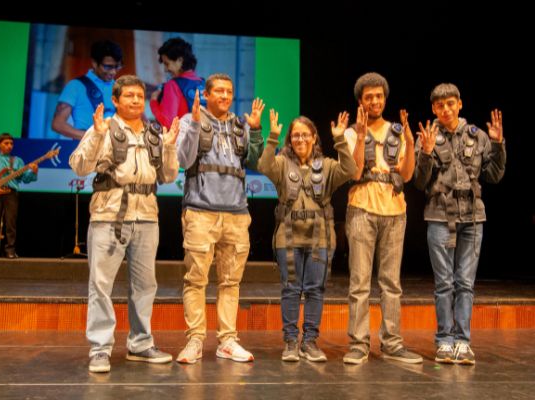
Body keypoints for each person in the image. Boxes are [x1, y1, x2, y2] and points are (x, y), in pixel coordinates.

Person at [69, 75, 180, 373]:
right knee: (101, 285)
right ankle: (100, 348)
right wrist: (95, 135)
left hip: (147, 217)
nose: (135, 100)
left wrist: (170, 147)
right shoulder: (103, 128)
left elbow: (169, 176)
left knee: (145, 285)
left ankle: (141, 344)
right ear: (115, 100)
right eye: (129, 95)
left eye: (139, 96)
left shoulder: (154, 133)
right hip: (109, 216)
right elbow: (79, 166)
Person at [175, 73, 265, 364]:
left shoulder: (239, 125)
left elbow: (256, 162)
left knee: (230, 282)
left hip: (236, 214)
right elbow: (183, 159)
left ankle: (227, 341)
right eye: (219, 91)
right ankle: (195, 340)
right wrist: (193, 125)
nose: (225, 96)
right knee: (196, 280)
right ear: (207, 94)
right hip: (201, 212)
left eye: (229, 92)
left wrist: (256, 130)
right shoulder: (191, 120)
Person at [414, 83, 506, 365]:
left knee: (465, 283)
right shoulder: (427, 136)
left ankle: (463, 342)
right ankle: (444, 340)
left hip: (473, 217)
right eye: (440, 105)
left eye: (450, 103)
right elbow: (420, 182)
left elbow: (494, 175)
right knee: (444, 283)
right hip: (439, 216)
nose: (446, 109)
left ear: (460, 104)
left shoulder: (477, 136)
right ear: (434, 108)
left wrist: (498, 145)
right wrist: (426, 153)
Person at [257, 110, 356, 362]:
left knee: (315, 289)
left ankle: (310, 341)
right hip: (288, 237)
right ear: (290, 140)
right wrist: (272, 137)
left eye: (305, 135)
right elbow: (263, 166)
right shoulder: (282, 164)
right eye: (295, 136)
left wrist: (340, 139)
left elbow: (350, 169)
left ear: (314, 137)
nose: (300, 139)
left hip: (319, 237)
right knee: (291, 289)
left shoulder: (327, 166)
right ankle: (291, 342)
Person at [343, 72, 421, 364]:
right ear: (360, 102)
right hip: (361, 209)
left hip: (394, 212)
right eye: (368, 97)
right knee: (360, 282)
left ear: (385, 99)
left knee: (391, 283)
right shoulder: (351, 133)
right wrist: (362, 136)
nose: (374, 101)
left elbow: (407, 175)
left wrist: (410, 143)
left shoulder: (398, 132)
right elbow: (354, 173)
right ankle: (359, 344)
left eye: (378, 96)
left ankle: (392, 343)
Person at [0, 133, 38, 259]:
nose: (9, 146)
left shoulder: (17, 161)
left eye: (11, 144)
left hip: (11, 193)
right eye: (6, 143)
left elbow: (24, 179)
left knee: (11, 223)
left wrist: (33, 172)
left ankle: (10, 250)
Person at [52, 40, 124, 139]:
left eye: (117, 67)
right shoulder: (75, 86)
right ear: (94, 63)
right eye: (108, 67)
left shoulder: (121, 88)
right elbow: (58, 124)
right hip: (86, 146)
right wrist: (92, 138)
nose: (113, 72)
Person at [149, 37, 205, 129]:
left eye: (167, 64)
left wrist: (153, 103)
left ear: (180, 60)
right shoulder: (203, 84)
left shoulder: (172, 85)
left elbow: (168, 123)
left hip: (183, 137)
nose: (165, 69)